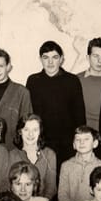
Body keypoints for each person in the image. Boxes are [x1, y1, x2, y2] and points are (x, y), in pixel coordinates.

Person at [26, 40, 86, 168]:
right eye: (45, 58)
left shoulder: (72, 80)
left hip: (67, 142)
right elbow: (29, 113)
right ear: (40, 59)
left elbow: (79, 113)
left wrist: (78, 139)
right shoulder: (33, 81)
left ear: (61, 59)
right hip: (41, 141)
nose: (50, 62)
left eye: (55, 57)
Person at [0, 48, 33, 150]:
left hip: (12, 150)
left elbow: (27, 127)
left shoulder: (22, 92)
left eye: (1, 66)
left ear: (8, 67)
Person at [57, 126, 101, 201]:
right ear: (74, 145)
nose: (81, 142)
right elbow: (62, 196)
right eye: (78, 139)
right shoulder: (66, 165)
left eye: (86, 139)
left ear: (95, 144)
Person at [9, 113, 57, 200]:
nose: (30, 134)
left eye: (35, 130)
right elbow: (8, 186)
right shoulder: (11, 155)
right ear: (20, 132)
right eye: (26, 129)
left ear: (40, 132)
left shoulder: (49, 154)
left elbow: (51, 187)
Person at [77, 37, 101, 132]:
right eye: (95, 56)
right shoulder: (75, 81)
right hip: (80, 137)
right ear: (88, 57)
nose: (100, 61)